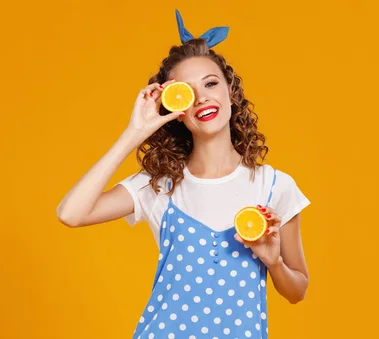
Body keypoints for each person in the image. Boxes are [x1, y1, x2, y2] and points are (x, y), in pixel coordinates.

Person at [56, 9, 312, 339]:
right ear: (177, 111)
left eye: (210, 83)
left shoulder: (275, 186)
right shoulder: (159, 186)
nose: (203, 97)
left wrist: (273, 262)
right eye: (188, 92)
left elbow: (298, 290)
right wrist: (134, 132)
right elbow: (71, 214)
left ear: (230, 92)